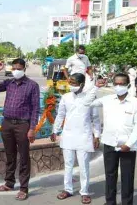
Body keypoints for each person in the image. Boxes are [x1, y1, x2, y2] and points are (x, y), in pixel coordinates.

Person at [85, 73, 137, 205]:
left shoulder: (135, 103)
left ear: (128, 85)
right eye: (116, 83)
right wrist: (95, 87)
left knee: (127, 177)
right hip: (109, 143)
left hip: (127, 146)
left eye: (122, 83)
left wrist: (128, 144)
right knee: (110, 175)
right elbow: (87, 102)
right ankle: (110, 202)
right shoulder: (107, 99)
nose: (118, 86)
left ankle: (127, 202)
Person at [0, 59, 40, 201]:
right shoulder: (9, 83)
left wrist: (32, 129)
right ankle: (9, 183)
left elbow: (36, 108)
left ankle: (24, 188)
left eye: (19, 68)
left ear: (24, 69)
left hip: (23, 125)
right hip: (7, 123)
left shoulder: (32, 85)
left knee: (24, 156)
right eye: (14, 68)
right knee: (10, 155)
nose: (16, 70)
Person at [51, 73, 102, 204]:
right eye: (70, 82)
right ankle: (68, 189)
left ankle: (85, 192)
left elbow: (95, 119)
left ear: (82, 84)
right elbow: (60, 115)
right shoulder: (65, 97)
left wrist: (97, 135)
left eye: (74, 83)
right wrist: (55, 130)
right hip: (68, 135)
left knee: (84, 165)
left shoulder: (90, 98)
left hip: (84, 136)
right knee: (68, 165)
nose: (71, 85)